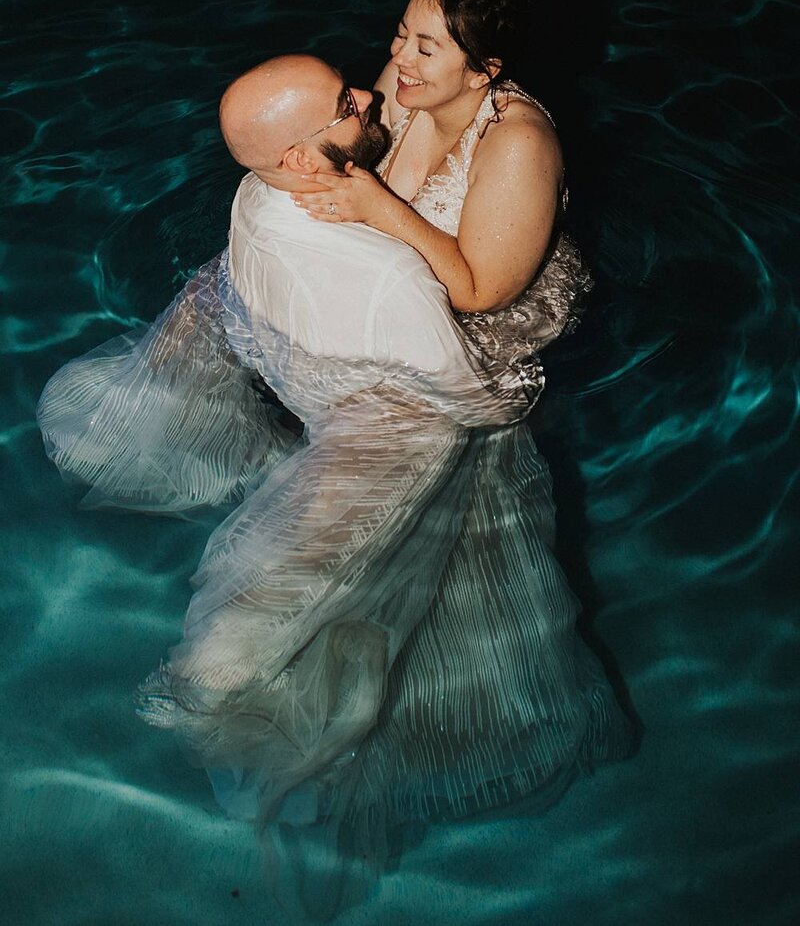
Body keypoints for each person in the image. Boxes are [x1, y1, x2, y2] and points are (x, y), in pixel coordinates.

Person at [37, 53, 632, 920]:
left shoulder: (257, 198)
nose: (371, 91)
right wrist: (525, 391)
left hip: (306, 354)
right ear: (303, 158)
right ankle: (214, 693)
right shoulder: (389, 276)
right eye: (349, 102)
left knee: (300, 535)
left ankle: (204, 681)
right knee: (328, 560)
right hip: (391, 413)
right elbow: (467, 399)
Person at [292, 0, 593, 405]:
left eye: (425, 49)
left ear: (483, 72)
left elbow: (482, 294)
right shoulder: (408, 83)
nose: (400, 57)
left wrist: (380, 209)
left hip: (491, 320)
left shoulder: (518, 142)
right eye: (401, 35)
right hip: (401, 283)